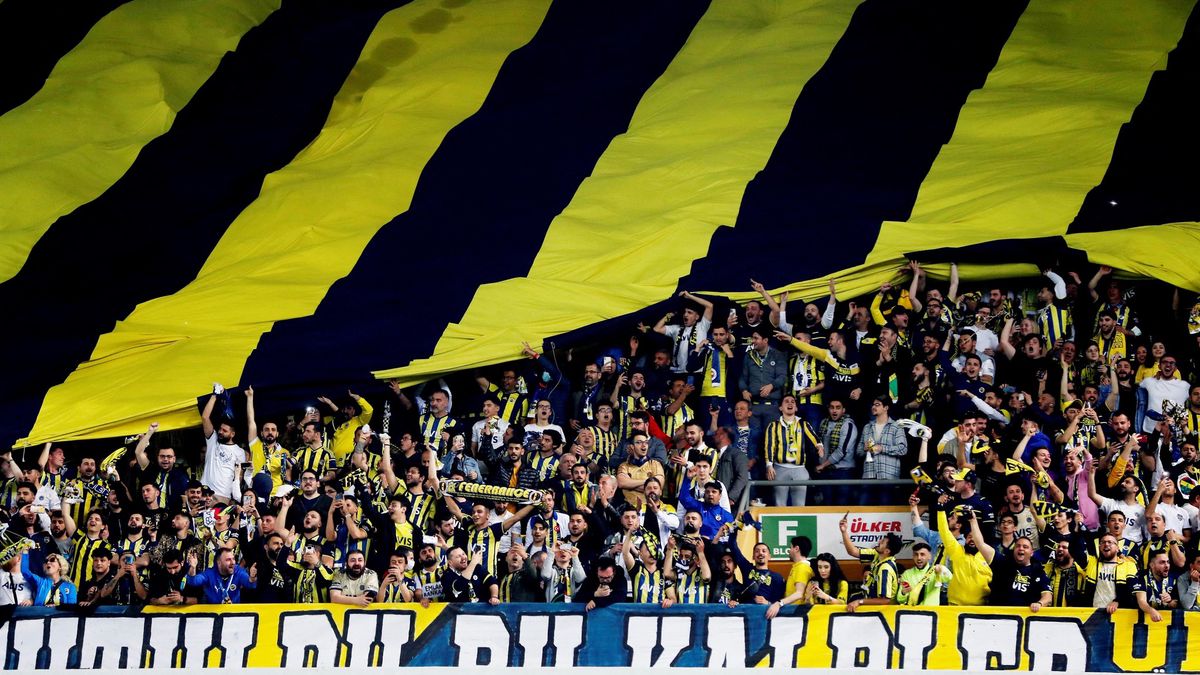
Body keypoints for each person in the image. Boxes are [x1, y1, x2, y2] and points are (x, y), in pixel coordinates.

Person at [762, 395, 824, 506]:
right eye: (786, 401)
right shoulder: (773, 425)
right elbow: (769, 446)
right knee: (779, 505)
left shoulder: (803, 424)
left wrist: (819, 446)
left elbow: (814, 436)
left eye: (792, 402)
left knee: (799, 505)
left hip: (799, 469)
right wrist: (769, 465)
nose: (790, 403)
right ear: (780, 408)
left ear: (796, 408)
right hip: (780, 468)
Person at [839, 515, 901, 610]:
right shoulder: (877, 554)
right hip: (869, 599)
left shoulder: (885, 569)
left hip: (883, 610)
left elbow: (885, 600)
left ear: (887, 551)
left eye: (882, 542)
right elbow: (853, 551)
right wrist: (844, 532)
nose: (879, 542)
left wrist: (860, 602)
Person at [200, 388, 248, 504]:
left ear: (232, 434)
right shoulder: (213, 441)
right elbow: (205, 417)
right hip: (204, 493)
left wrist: (234, 497)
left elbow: (239, 477)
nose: (220, 432)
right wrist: (214, 396)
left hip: (223, 496)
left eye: (224, 430)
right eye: (220, 429)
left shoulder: (240, 452)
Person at [185, 548, 256, 604]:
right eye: (228, 560)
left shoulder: (238, 571)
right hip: (213, 614)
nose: (233, 562)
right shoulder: (210, 573)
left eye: (233, 559)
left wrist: (252, 578)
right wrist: (193, 568)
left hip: (233, 614)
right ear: (219, 562)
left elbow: (250, 584)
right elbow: (193, 581)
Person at [896, 542, 952, 606]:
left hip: (931, 611)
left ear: (929, 556)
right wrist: (903, 593)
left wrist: (942, 570)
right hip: (913, 611)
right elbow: (900, 600)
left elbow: (950, 579)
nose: (919, 558)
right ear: (913, 556)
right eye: (916, 554)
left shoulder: (936, 570)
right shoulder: (907, 574)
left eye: (922, 554)